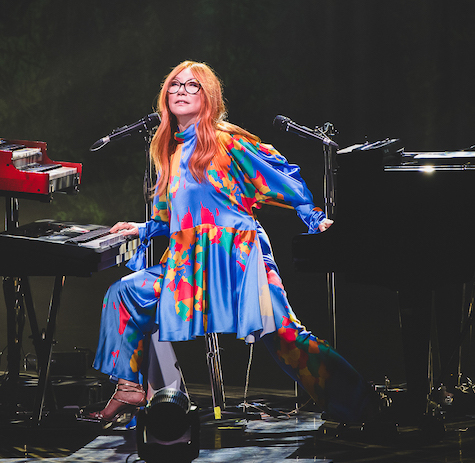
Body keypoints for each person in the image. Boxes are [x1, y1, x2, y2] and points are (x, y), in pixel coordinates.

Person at [88, 60, 380, 426]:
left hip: (238, 259)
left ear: (208, 97)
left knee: (286, 338)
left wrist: (315, 218)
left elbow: (283, 177)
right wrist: (142, 228)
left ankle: (364, 407)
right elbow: (171, 220)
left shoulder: (226, 141)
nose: (180, 90)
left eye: (192, 85)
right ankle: (129, 386)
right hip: (189, 267)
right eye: (174, 85)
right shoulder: (170, 152)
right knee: (126, 294)